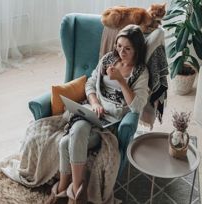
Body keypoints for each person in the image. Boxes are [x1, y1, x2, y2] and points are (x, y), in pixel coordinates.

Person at [46, 24, 149, 204]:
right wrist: (94, 103)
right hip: (92, 111)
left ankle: (68, 191)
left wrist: (121, 81)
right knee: (73, 133)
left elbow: (137, 106)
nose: (121, 52)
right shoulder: (108, 59)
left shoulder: (140, 72)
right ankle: (73, 192)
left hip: (110, 124)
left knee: (65, 142)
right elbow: (90, 83)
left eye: (127, 49)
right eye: (119, 46)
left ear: (137, 49)